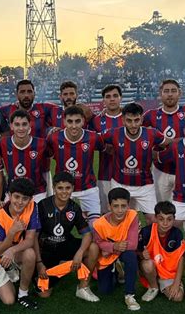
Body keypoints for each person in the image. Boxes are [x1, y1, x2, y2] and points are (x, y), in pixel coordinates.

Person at [36, 171, 100, 301]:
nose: (64, 192)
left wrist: (80, 253)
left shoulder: (74, 207)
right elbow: (33, 237)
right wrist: (39, 263)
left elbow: (87, 234)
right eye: (60, 188)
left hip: (65, 244)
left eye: (68, 188)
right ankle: (59, 266)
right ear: (53, 188)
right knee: (44, 293)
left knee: (93, 247)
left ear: (72, 189)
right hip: (47, 250)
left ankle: (83, 287)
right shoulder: (42, 205)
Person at [102, 102, 169, 224]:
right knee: (119, 219)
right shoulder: (114, 133)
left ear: (142, 119)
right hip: (120, 184)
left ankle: (150, 242)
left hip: (145, 185)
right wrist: (107, 149)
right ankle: (121, 242)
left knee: (153, 220)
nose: (133, 124)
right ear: (123, 120)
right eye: (129, 120)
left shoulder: (152, 134)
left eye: (137, 120)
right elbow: (94, 140)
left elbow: (169, 143)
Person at [0, 178, 40, 310]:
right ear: (9, 195)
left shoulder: (32, 206)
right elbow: (0, 250)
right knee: (8, 300)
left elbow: (30, 239)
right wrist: (12, 232)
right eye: (16, 197)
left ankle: (23, 294)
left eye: (25, 198)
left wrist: (12, 250)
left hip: (12, 251)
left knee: (30, 253)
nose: (20, 202)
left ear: (30, 199)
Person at [143, 79, 185, 203]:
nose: (170, 94)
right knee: (161, 209)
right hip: (160, 170)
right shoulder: (151, 115)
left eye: (173, 91)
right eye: (166, 91)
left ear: (179, 93)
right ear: (161, 93)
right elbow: (133, 126)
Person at [47, 105, 104, 225]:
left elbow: (105, 149)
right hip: (62, 189)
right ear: (64, 122)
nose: (73, 125)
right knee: (58, 227)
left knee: (95, 228)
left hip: (88, 188)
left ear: (83, 121)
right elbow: (48, 155)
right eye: (70, 121)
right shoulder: (54, 138)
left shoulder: (93, 137)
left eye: (77, 121)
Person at [93, 188, 141, 311]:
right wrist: (113, 246)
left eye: (123, 206)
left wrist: (111, 248)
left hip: (120, 252)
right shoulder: (99, 224)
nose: (120, 210)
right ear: (109, 206)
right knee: (105, 290)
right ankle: (118, 270)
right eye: (116, 206)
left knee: (131, 256)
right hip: (109, 254)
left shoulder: (132, 215)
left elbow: (133, 244)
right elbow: (98, 243)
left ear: (128, 206)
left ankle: (129, 294)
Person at [138, 201, 185, 302]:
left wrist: (176, 283)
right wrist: (141, 254)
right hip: (151, 269)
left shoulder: (177, 233)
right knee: (147, 264)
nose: (165, 223)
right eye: (161, 219)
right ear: (155, 218)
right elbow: (135, 251)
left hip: (168, 273)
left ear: (174, 219)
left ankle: (162, 284)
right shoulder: (146, 232)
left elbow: (181, 258)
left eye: (169, 219)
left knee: (177, 297)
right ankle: (154, 287)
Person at [0, 110, 48, 202]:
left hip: (37, 193)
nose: (21, 128)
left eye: (24, 124)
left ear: (30, 125)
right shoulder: (3, 143)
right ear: (11, 126)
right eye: (17, 124)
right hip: (12, 192)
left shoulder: (41, 144)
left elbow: (47, 167)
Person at [89, 84, 124, 214]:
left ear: (120, 98)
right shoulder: (97, 120)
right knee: (106, 212)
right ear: (103, 100)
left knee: (126, 213)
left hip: (127, 175)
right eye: (108, 97)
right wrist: (104, 147)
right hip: (105, 174)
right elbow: (91, 142)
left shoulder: (129, 118)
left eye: (115, 96)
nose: (112, 99)